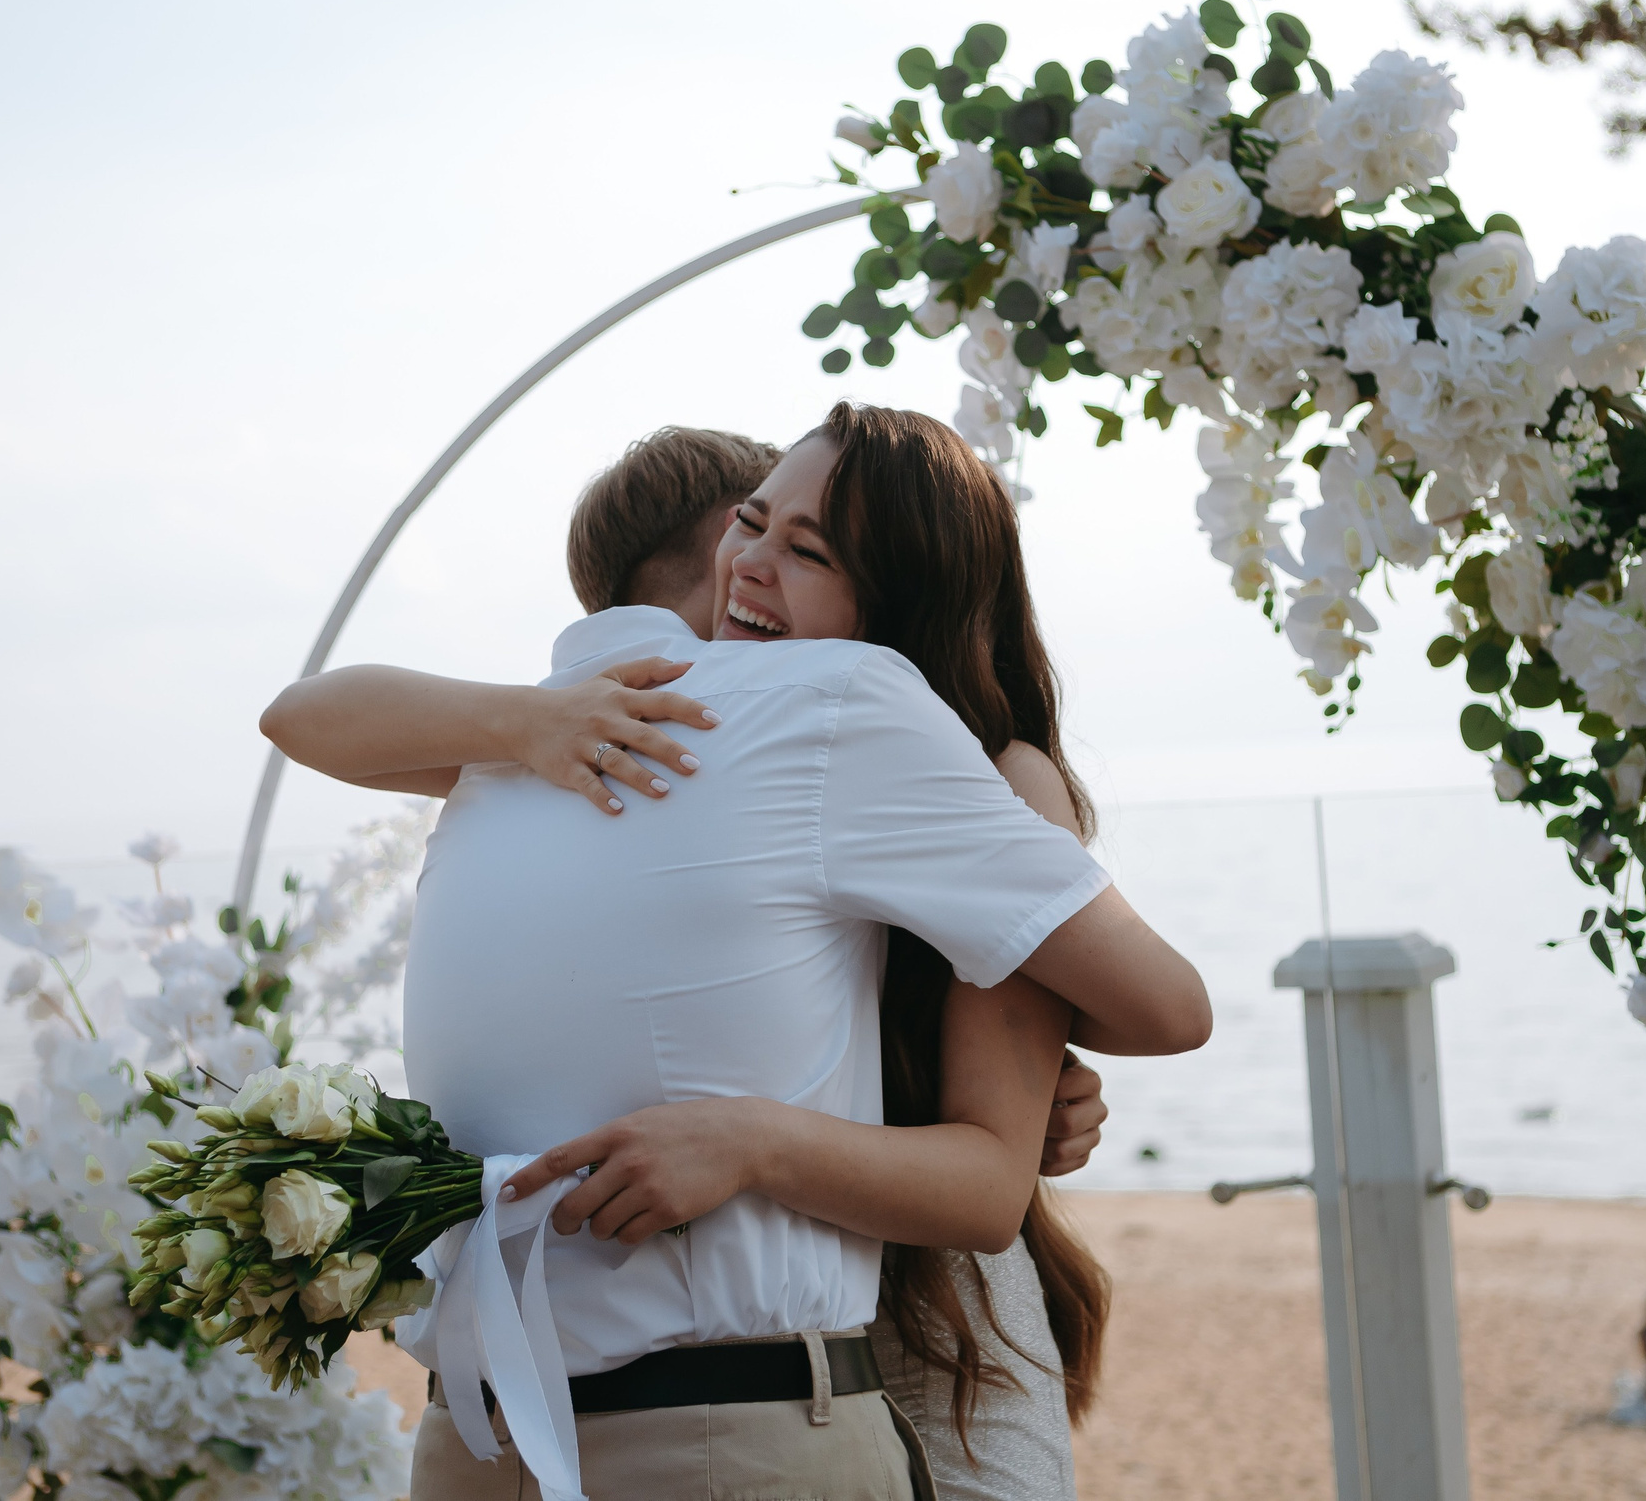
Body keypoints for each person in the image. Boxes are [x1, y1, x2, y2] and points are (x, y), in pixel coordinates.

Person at [262, 406, 1211, 1501]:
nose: (751, 569)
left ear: (899, 590)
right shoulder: (637, 736)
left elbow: (1151, 1010)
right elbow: (303, 715)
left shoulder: (908, 742)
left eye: (804, 548)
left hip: (891, 1278)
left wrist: (1038, 1056)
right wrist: (526, 722)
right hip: (736, 1304)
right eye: (751, 527)